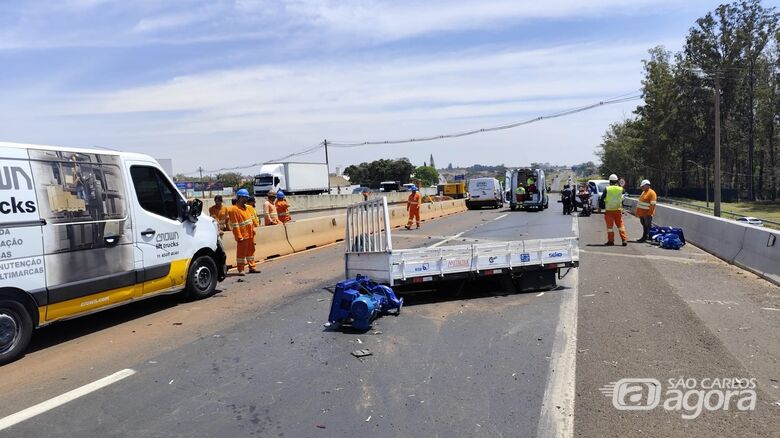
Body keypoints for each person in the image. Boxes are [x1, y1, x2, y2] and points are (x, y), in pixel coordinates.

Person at [228, 188, 257, 275]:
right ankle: (241, 269)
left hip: (250, 234)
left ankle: (252, 267)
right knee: (241, 253)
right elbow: (235, 224)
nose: (246, 199)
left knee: (251, 252)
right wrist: (238, 236)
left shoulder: (247, 208)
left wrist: (253, 230)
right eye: (245, 197)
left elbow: (251, 220)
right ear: (240, 197)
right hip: (242, 235)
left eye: (247, 197)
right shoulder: (234, 209)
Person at [600, 174, 628, 246]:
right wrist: (619, 184)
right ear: (616, 181)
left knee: (610, 227)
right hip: (618, 210)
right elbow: (624, 192)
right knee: (620, 226)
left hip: (609, 210)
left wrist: (600, 207)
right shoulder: (620, 189)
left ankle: (611, 241)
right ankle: (624, 240)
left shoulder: (607, 189)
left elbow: (602, 199)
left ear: (609, 181)